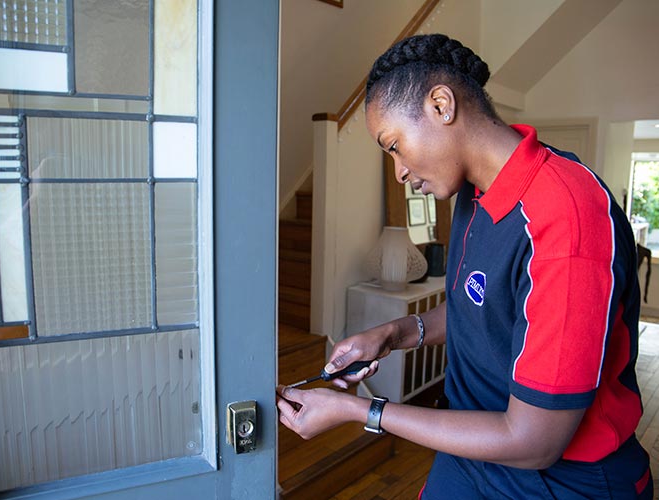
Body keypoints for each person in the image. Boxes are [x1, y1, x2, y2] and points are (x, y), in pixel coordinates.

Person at [276, 33, 653, 499]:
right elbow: (481, 308)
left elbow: (533, 443)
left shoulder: (567, 217)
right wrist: (392, 335)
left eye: (393, 145)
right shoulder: (473, 194)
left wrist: (361, 411)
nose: (398, 172)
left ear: (440, 105)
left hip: (559, 479)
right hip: (472, 451)